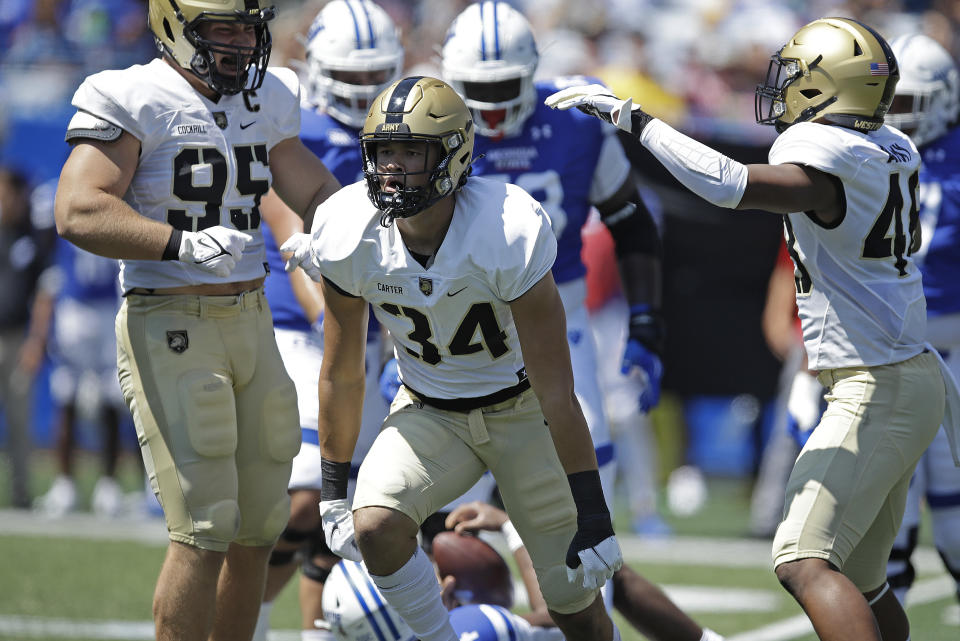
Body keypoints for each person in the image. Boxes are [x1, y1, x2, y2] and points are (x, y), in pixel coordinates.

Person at [547, 16, 960, 641]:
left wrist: (637, 121)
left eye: (800, 78)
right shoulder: (892, 146)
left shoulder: (834, 155)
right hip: (903, 374)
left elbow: (731, 185)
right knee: (864, 579)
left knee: (802, 560)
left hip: (878, 385)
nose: (786, 89)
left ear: (834, 88)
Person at [282, 76, 622, 641]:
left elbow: (558, 390)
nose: (391, 167)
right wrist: (335, 489)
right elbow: (341, 374)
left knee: (574, 604)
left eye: (410, 151)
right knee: (376, 524)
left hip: (523, 412)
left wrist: (594, 509)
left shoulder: (506, 226)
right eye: (382, 151)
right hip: (429, 410)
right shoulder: (347, 229)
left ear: (453, 155)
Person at [53, 1, 341, 639]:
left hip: (254, 318)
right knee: (205, 524)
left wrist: (346, 232)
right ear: (174, 27)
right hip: (172, 319)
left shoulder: (268, 96)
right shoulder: (133, 95)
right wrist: (178, 244)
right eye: (223, 28)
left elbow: (315, 191)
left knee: (261, 522)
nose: (241, 43)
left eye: (249, 28)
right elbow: (76, 209)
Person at [438, 7, 721, 641]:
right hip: (451, 327)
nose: (486, 111)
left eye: (500, 90)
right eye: (473, 93)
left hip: (556, 322)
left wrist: (646, 320)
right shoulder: (428, 122)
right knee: (448, 522)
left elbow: (630, 220)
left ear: (532, 75)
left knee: (579, 536)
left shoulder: (572, 121)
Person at [252, 3, 401, 640]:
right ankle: (242, 619)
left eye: (376, 75)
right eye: (351, 74)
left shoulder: (408, 126)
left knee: (352, 512)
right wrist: (348, 319)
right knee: (307, 496)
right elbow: (295, 247)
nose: (366, 90)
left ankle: (319, 633)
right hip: (302, 330)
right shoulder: (295, 128)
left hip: (379, 333)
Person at [883, 32, 960, 609]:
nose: (898, 118)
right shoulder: (865, 150)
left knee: (957, 530)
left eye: (910, 103)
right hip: (888, 360)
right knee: (888, 532)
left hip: (954, 357)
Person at [31, 232, 127, 518]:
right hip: (76, 308)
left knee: (112, 399)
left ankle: (107, 486)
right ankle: (65, 485)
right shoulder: (67, 212)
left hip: (107, 306)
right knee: (67, 396)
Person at [0, 166, 54, 509]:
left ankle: (20, 493)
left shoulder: (33, 238)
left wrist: (37, 340)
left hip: (19, 337)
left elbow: (44, 293)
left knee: (20, 421)